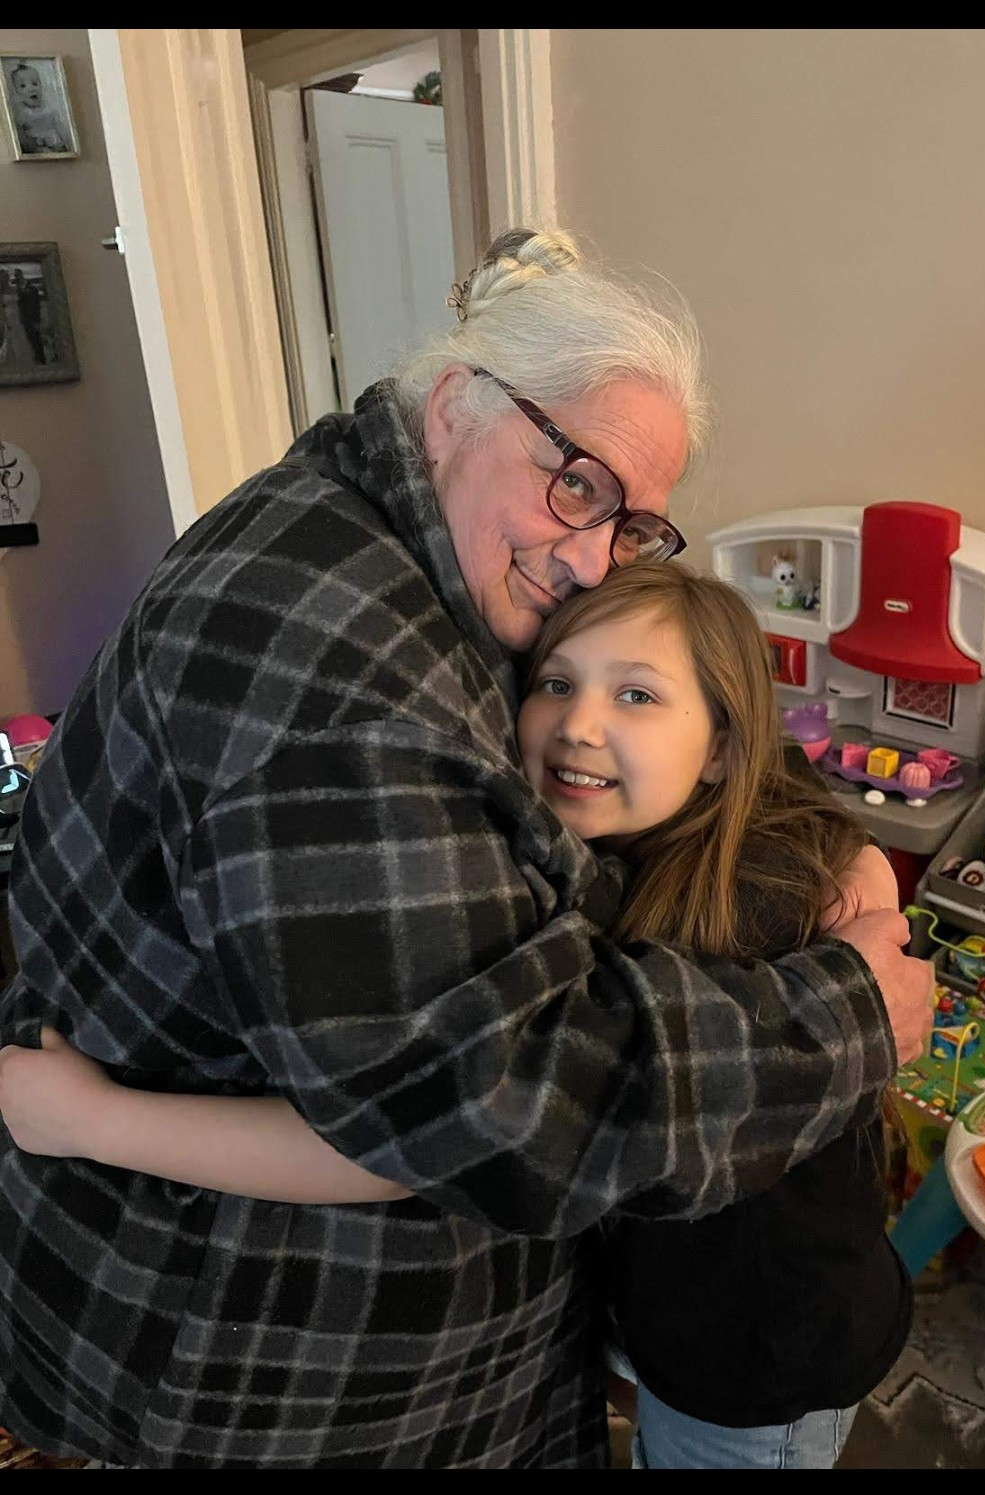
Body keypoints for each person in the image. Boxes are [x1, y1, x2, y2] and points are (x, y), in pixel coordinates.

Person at [0, 226, 934, 1469]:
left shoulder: (412, 544)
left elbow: (680, 677)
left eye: (631, 523)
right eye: (577, 484)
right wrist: (850, 1015)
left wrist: (830, 837)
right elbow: (491, 1105)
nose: (589, 558)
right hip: (275, 1372)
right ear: (453, 405)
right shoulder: (336, 677)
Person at [6, 63, 69, 155]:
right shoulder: (22, 115)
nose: (31, 89)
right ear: (17, 92)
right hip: (38, 148)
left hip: (56, 144)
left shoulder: (50, 110)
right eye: (23, 86)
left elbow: (61, 129)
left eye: (35, 84)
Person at [12, 270, 45, 366]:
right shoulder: (18, 289)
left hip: (33, 318)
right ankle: (36, 357)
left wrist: (38, 319)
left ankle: (41, 358)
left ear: (21, 275)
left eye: (17, 275)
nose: (17, 277)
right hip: (24, 319)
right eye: (15, 276)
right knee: (29, 338)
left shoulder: (32, 288)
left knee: (37, 338)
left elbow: (37, 304)